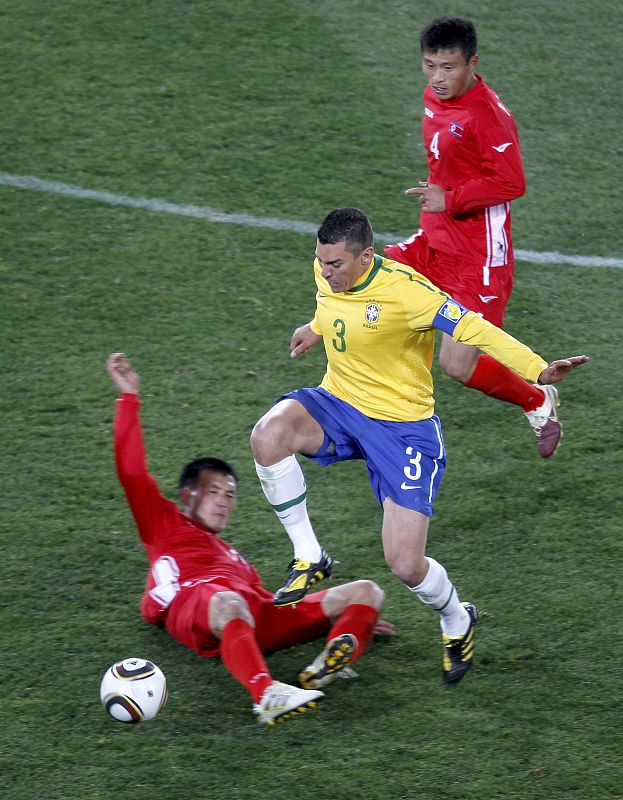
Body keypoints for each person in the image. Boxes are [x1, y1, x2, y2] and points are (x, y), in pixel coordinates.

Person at [250, 207, 588, 684]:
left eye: (336, 265)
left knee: (405, 564)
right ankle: (310, 555)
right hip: (340, 402)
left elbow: (473, 328)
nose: (325, 272)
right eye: (321, 262)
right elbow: (331, 304)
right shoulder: (328, 270)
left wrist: (537, 368)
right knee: (268, 435)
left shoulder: (409, 293)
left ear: (366, 256)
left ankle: (456, 618)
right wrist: (317, 328)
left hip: (403, 429)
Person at [106, 352, 393, 726]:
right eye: (214, 491)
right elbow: (131, 472)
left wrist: (353, 619)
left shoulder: (233, 557)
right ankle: (266, 694)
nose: (224, 501)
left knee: (368, 592)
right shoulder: (164, 525)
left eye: (230, 494)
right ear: (187, 495)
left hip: (252, 613)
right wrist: (129, 397)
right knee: (228, 601)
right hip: (199, 604)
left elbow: (262, 605)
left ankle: (330, 661)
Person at [384, 16, 560, 458]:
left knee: (457, 365)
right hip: (435, 238)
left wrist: (451, 198)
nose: (437, 78)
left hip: (479, 256)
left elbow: (512, 182)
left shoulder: (488, 116)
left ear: (472, 63)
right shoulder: (433, 96)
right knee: (368, 276)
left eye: (449, 67)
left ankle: (537, 401)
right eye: (430, 65)